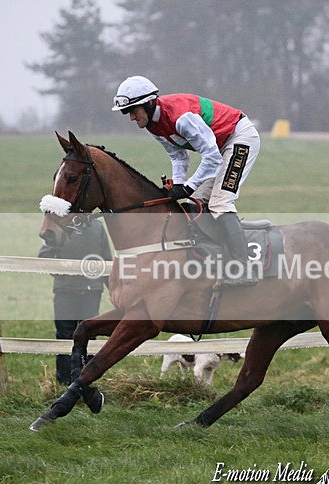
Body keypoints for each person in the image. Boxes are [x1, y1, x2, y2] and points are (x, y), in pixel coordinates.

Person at [111, 75, 261, 286]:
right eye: (127, 112)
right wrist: (180, 184)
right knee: (194, 203)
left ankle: (243, 268)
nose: (131, 118)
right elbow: (178, 156)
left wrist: (188, 186)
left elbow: (211, 157)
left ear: (149, 103)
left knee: (220, 201)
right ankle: (216, 258)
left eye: (132, 111)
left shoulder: (181, 117)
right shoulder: (152, 126)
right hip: (220, 147)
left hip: (240, 138)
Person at [38, 220, 112, 385]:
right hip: (66, 292)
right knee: (65, 335)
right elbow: (45, 255)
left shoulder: (98, 227)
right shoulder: (60, 225)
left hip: (91, 291)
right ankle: (64, 382)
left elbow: (106, 258)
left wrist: (112, 288)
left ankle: (88, 379)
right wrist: (64, 273)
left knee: (90, 334)